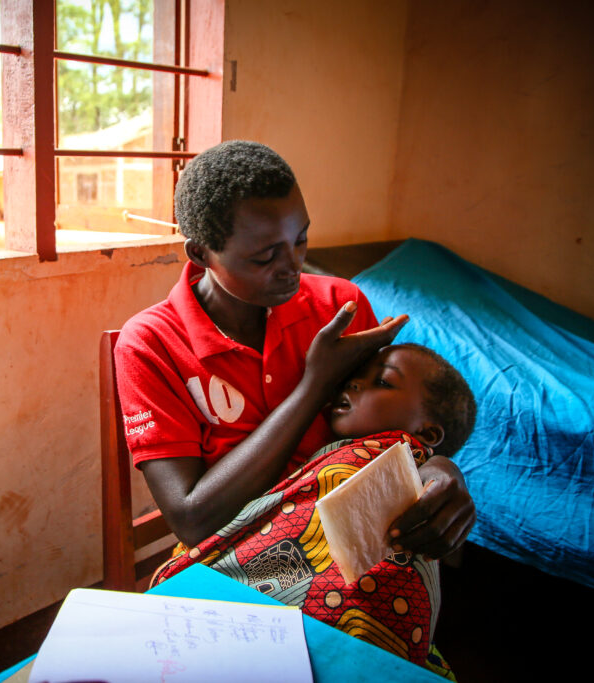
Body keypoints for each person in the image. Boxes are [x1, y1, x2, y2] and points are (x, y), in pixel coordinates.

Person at [114, 140, 475, 563]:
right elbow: (192, 519)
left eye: (300, 240)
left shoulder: (339, 305)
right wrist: (313, 387)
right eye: (266, 256)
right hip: (232, 560)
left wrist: (440, 470)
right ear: (202, 253)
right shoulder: (151, 345)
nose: (293, 267)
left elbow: (394, 435)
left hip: (344, 556)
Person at [148, 343, 478, 672]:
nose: (352, 384)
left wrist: (438, 464)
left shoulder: (411, 475)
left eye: (383, 382)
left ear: (427, 432)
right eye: (354, 377)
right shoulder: (333, 453)